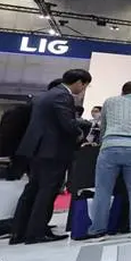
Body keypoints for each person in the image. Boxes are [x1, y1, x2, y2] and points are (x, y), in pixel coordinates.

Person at [10, 70, 91, 244]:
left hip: (37, 149)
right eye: (84, 86)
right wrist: (80, 134)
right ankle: (37, 232)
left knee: (32, 190)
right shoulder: (63, 96)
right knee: (47, 191)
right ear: (79, 82)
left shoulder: (44, 96)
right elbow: (67, 124)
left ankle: (19, 231)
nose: (83, 90)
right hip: (53, 151)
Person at [85, 81, 131, 240]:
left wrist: (103, 142)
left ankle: (98, 230)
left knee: (103, 190)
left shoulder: (110, 101)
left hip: (110, 146)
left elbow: (103, 125)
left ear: (122, 92)